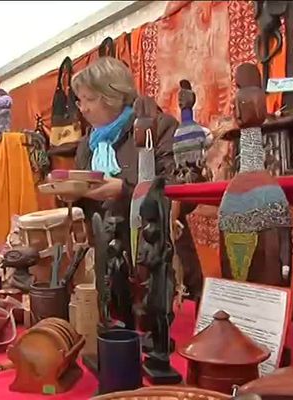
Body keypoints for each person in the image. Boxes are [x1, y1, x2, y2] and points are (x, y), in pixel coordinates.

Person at [72, 56, 203, 302]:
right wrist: (71, 195)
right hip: (111, 263)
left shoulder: (159, 127)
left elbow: (182, 192)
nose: (84, 108)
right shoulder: (86, 146)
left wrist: (126, 190)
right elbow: (87, 212)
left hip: (158, 258)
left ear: (113, 96)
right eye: (80, 101)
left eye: (90, 99)